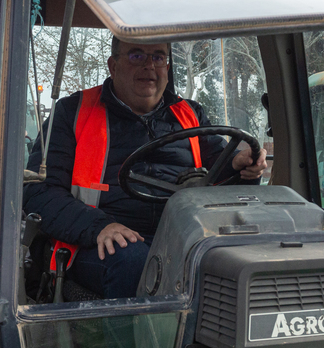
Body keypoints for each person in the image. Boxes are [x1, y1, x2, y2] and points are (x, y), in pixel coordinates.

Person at [24, 37, 267, 300]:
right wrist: (99, 227)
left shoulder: (190, 115)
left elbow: (220, 175)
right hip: (95, 240)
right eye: (137, 56)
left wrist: (242, 167)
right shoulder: (73, 113)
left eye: (158, 57)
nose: (149, 66)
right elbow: (39, 192)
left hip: (181, 236)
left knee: (239, 259)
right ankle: (131, 341)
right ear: (113, 66)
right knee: (135, 262)